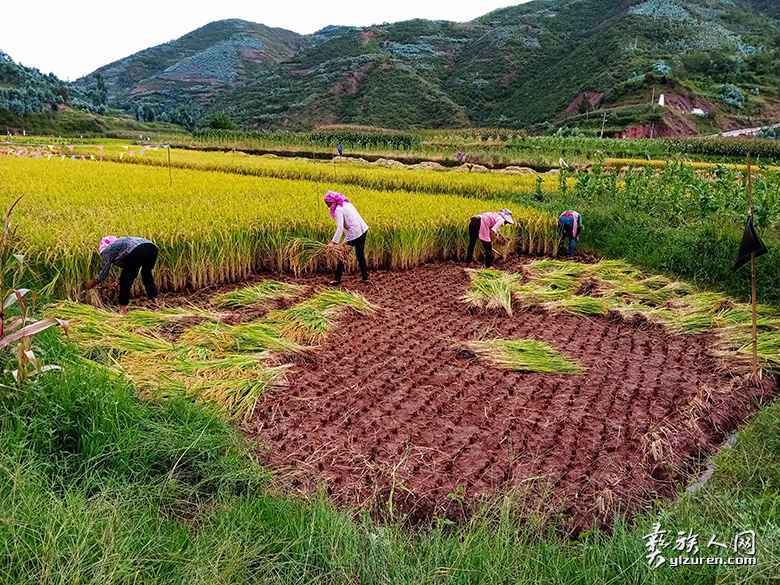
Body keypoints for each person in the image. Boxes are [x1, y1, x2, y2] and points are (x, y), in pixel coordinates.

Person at [84, 236, 159, 315]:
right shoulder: (121, 245)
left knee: (126, 282)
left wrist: (91, 284)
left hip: (137, 250)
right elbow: (130, 269)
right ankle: (155, 303)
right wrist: (117, 283)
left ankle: (123, 312)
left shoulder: (107, 250)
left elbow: (103, 273)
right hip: (152, 248)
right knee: (147, 275)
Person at [324, 191, 369, 285]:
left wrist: (333, 243)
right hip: (363, 229)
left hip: (354, 233)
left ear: (332, 201)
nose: (327, 205)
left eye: (328, 203)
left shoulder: (338, 210)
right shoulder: (346, 204)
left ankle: (337, 279)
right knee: (360, 255)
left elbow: (340, 227)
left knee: (341, 255)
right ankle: (365, 278)